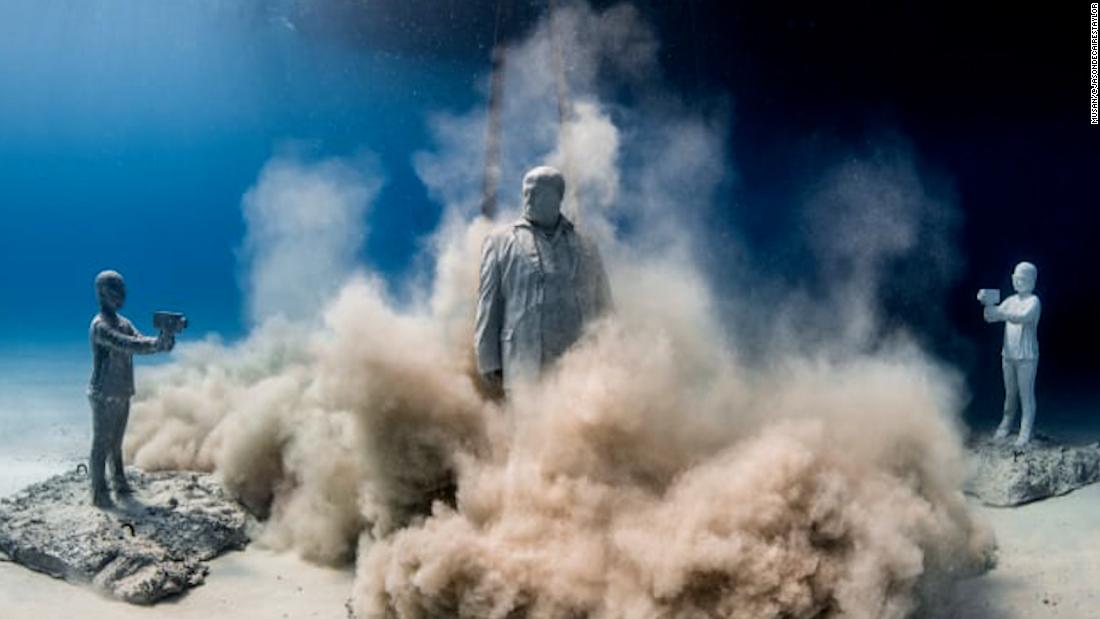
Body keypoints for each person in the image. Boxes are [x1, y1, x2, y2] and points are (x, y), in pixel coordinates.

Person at [475, 166, 612, 392]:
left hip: (576, 360)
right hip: (522, 359)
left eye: (537, 193)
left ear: (557, 197)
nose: (528, 198)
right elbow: (488, 303)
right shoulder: (499, 241)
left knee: (574, 421)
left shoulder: (585, 245)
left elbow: (603, 304)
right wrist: (487, 359)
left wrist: (612, 352)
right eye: (526, 192)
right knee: (523, 421)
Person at [87, 270, 174, 507]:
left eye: (123, 288)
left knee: (116, 443)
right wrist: (157, 343)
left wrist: (161, 341)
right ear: (103, 292)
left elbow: (139, 340)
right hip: (104, 392)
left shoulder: (123, 323)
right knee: (101, 444)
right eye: (117, 288)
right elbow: (128, 344)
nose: (123, 294)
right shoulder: (100, 326)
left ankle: (119, 482)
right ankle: (98, 491)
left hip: (122, 390)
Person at [982, 261, 1041, 447]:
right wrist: (988, 305)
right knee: (1010, 393)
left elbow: (1022, 317)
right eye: (1016, 278)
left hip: (1026, 356)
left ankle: (1026, 429)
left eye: (1023, 278)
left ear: (1032, 281)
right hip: (1008, 354)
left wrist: (1002, 314)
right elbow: (990, 317)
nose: (1018, 282)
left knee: (1026, 394)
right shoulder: (1010, 300)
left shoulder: (1034, 301)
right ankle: (1006, 423)